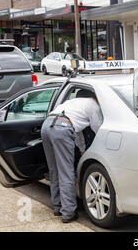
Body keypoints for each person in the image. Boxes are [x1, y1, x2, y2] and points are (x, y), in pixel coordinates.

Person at [41, 89, 103, 223]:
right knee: (66, 172)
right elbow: (98, 129)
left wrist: (82, 150)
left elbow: (77, 131)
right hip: (62, 127)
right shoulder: (94, 105)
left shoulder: (73, 102)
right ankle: (69, 212)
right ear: (97, 98)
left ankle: (58, 207)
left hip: (47, 125)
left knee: (54, 170)